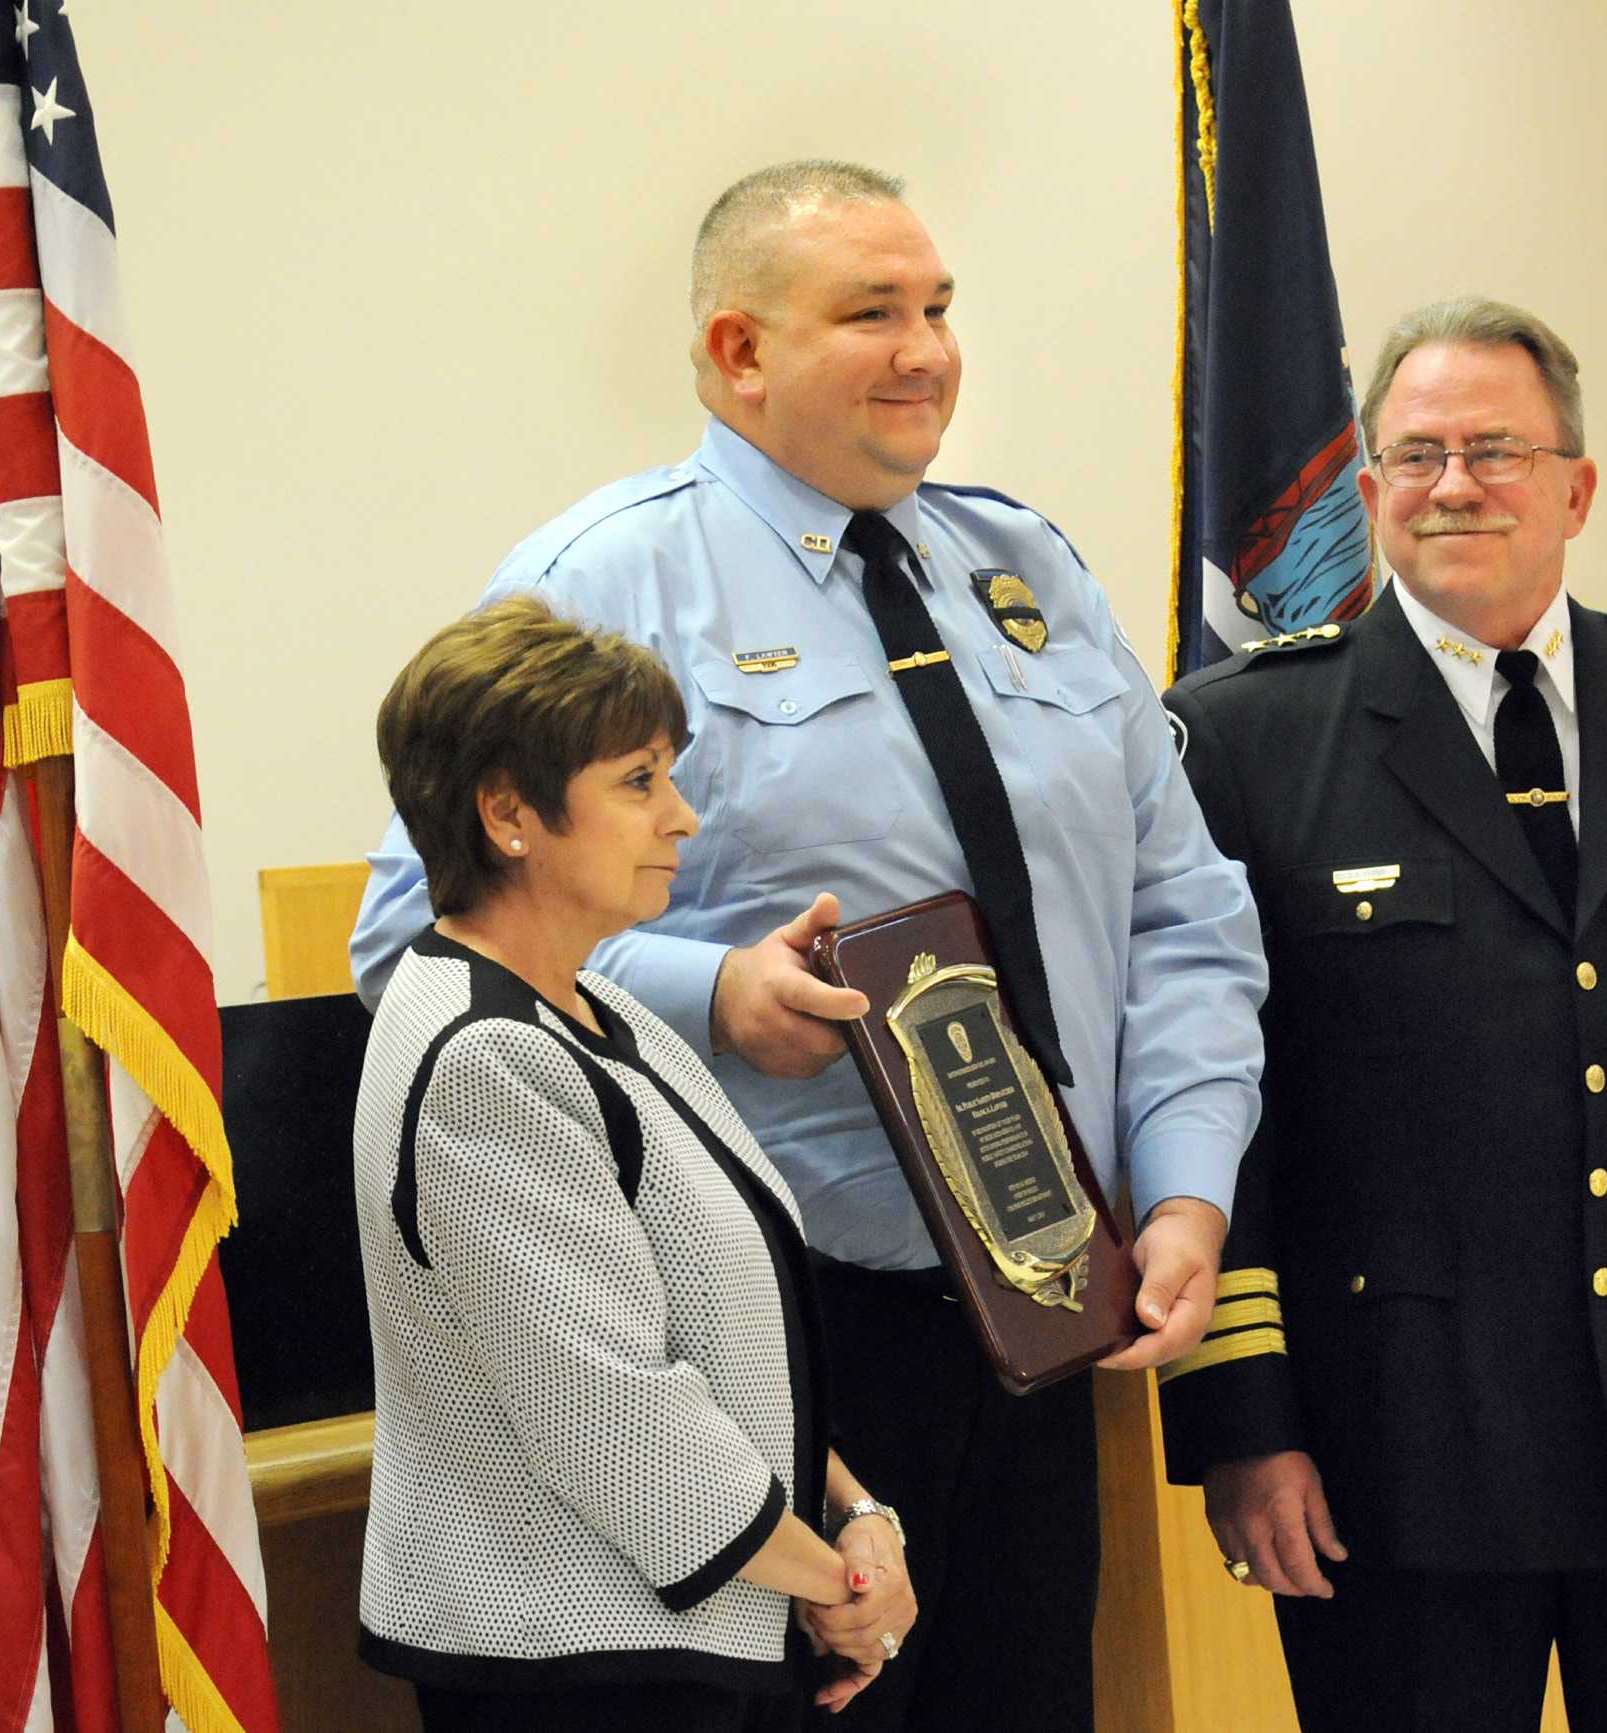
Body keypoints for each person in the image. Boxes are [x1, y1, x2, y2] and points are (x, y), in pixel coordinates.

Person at [351, 160, 1268, 1728]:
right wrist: (718, 994)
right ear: (738, 352)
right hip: (783, 1336)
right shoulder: (607, 578)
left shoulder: (1022, 568)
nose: (926, 351)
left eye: (938, 308)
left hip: (1048, 1312)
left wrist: (1185, 1186)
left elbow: (1181, 908)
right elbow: (413, 938)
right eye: (871, 313)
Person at [1158, 296, 1607, 1731]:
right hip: (1394, 1455)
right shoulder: (1241, 739)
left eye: (1496, 449)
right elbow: (1215, 1108)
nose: (1455, 486)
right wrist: (1247, 1425)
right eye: (1417, 455)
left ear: (1577, 487)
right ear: (1367, 495)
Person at [352, 596, 914, 1731]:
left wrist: (863, 1515)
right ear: (509, 814)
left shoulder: (599, 1007)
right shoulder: (482, 1055)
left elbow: (722, 1347)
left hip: (684, 1639)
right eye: (638, 781)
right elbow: (612, 1417)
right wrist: (841, 1586)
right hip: (578, 1667)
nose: (683, 817)